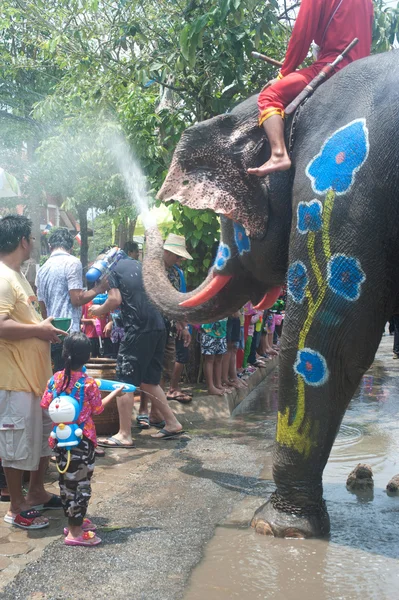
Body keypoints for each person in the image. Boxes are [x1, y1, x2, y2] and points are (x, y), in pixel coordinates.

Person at [248, 0, 374, 177]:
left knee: (269, 96)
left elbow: (301, 36)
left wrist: (283, 75)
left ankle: (278, 155)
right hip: (364, 69)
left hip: (333, 67)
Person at [0, 215, 66, 530]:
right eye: (32, 239)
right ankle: (15, 506)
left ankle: (36, 492)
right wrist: (39, 328)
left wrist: (44, 329)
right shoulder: (1, 276)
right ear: (23, 241)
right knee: (16, 446)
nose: (33, 244)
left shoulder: (19, 276)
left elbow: (27, 323)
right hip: (14, 379)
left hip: (36, 379)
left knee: (39, 441)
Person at [90, 254, 184, 445]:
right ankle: (172, 423)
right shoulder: (140, 266)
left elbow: (115, 299)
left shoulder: (113, 271)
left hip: (138, 328)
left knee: (123, 380)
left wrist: (98, 310)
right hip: (159, 327)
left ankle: (124, 435)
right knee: (149, 381)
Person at [40, 333, 124, 546]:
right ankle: (75, 533)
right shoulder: (88, 384)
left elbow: (45, 404)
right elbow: (97, 409)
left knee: (67, 482)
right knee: (82, 485)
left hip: (59, 440)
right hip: (83, 441)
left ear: (65, 353)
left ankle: (74, 521)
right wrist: (115, 392)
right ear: (87, 357)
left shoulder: (55, 378)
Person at [36, 228, 107, 371]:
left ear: (50, 246)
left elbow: (42, 308)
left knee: (59, 379)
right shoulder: (72, 262)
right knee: (73, 381)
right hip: (70, 335)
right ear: (71, 247)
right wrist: (99, 288)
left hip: (52, 333)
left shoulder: (42, 270)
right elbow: (77, 299)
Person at [163, 234, 192, 404]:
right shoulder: (152, 270)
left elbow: (181, 300)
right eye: (177, 255)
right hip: (155, 325)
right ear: (167, 251)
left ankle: (171, 389)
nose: (179, 259)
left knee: (170, 360)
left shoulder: (177, 273)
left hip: (174, 325)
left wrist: (184, 324)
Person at [201, 320, 229, 396]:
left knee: (219, 359)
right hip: (208, 331)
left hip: (222, 331)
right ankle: (210, 387)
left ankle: (218, 384)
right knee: (209, 359)